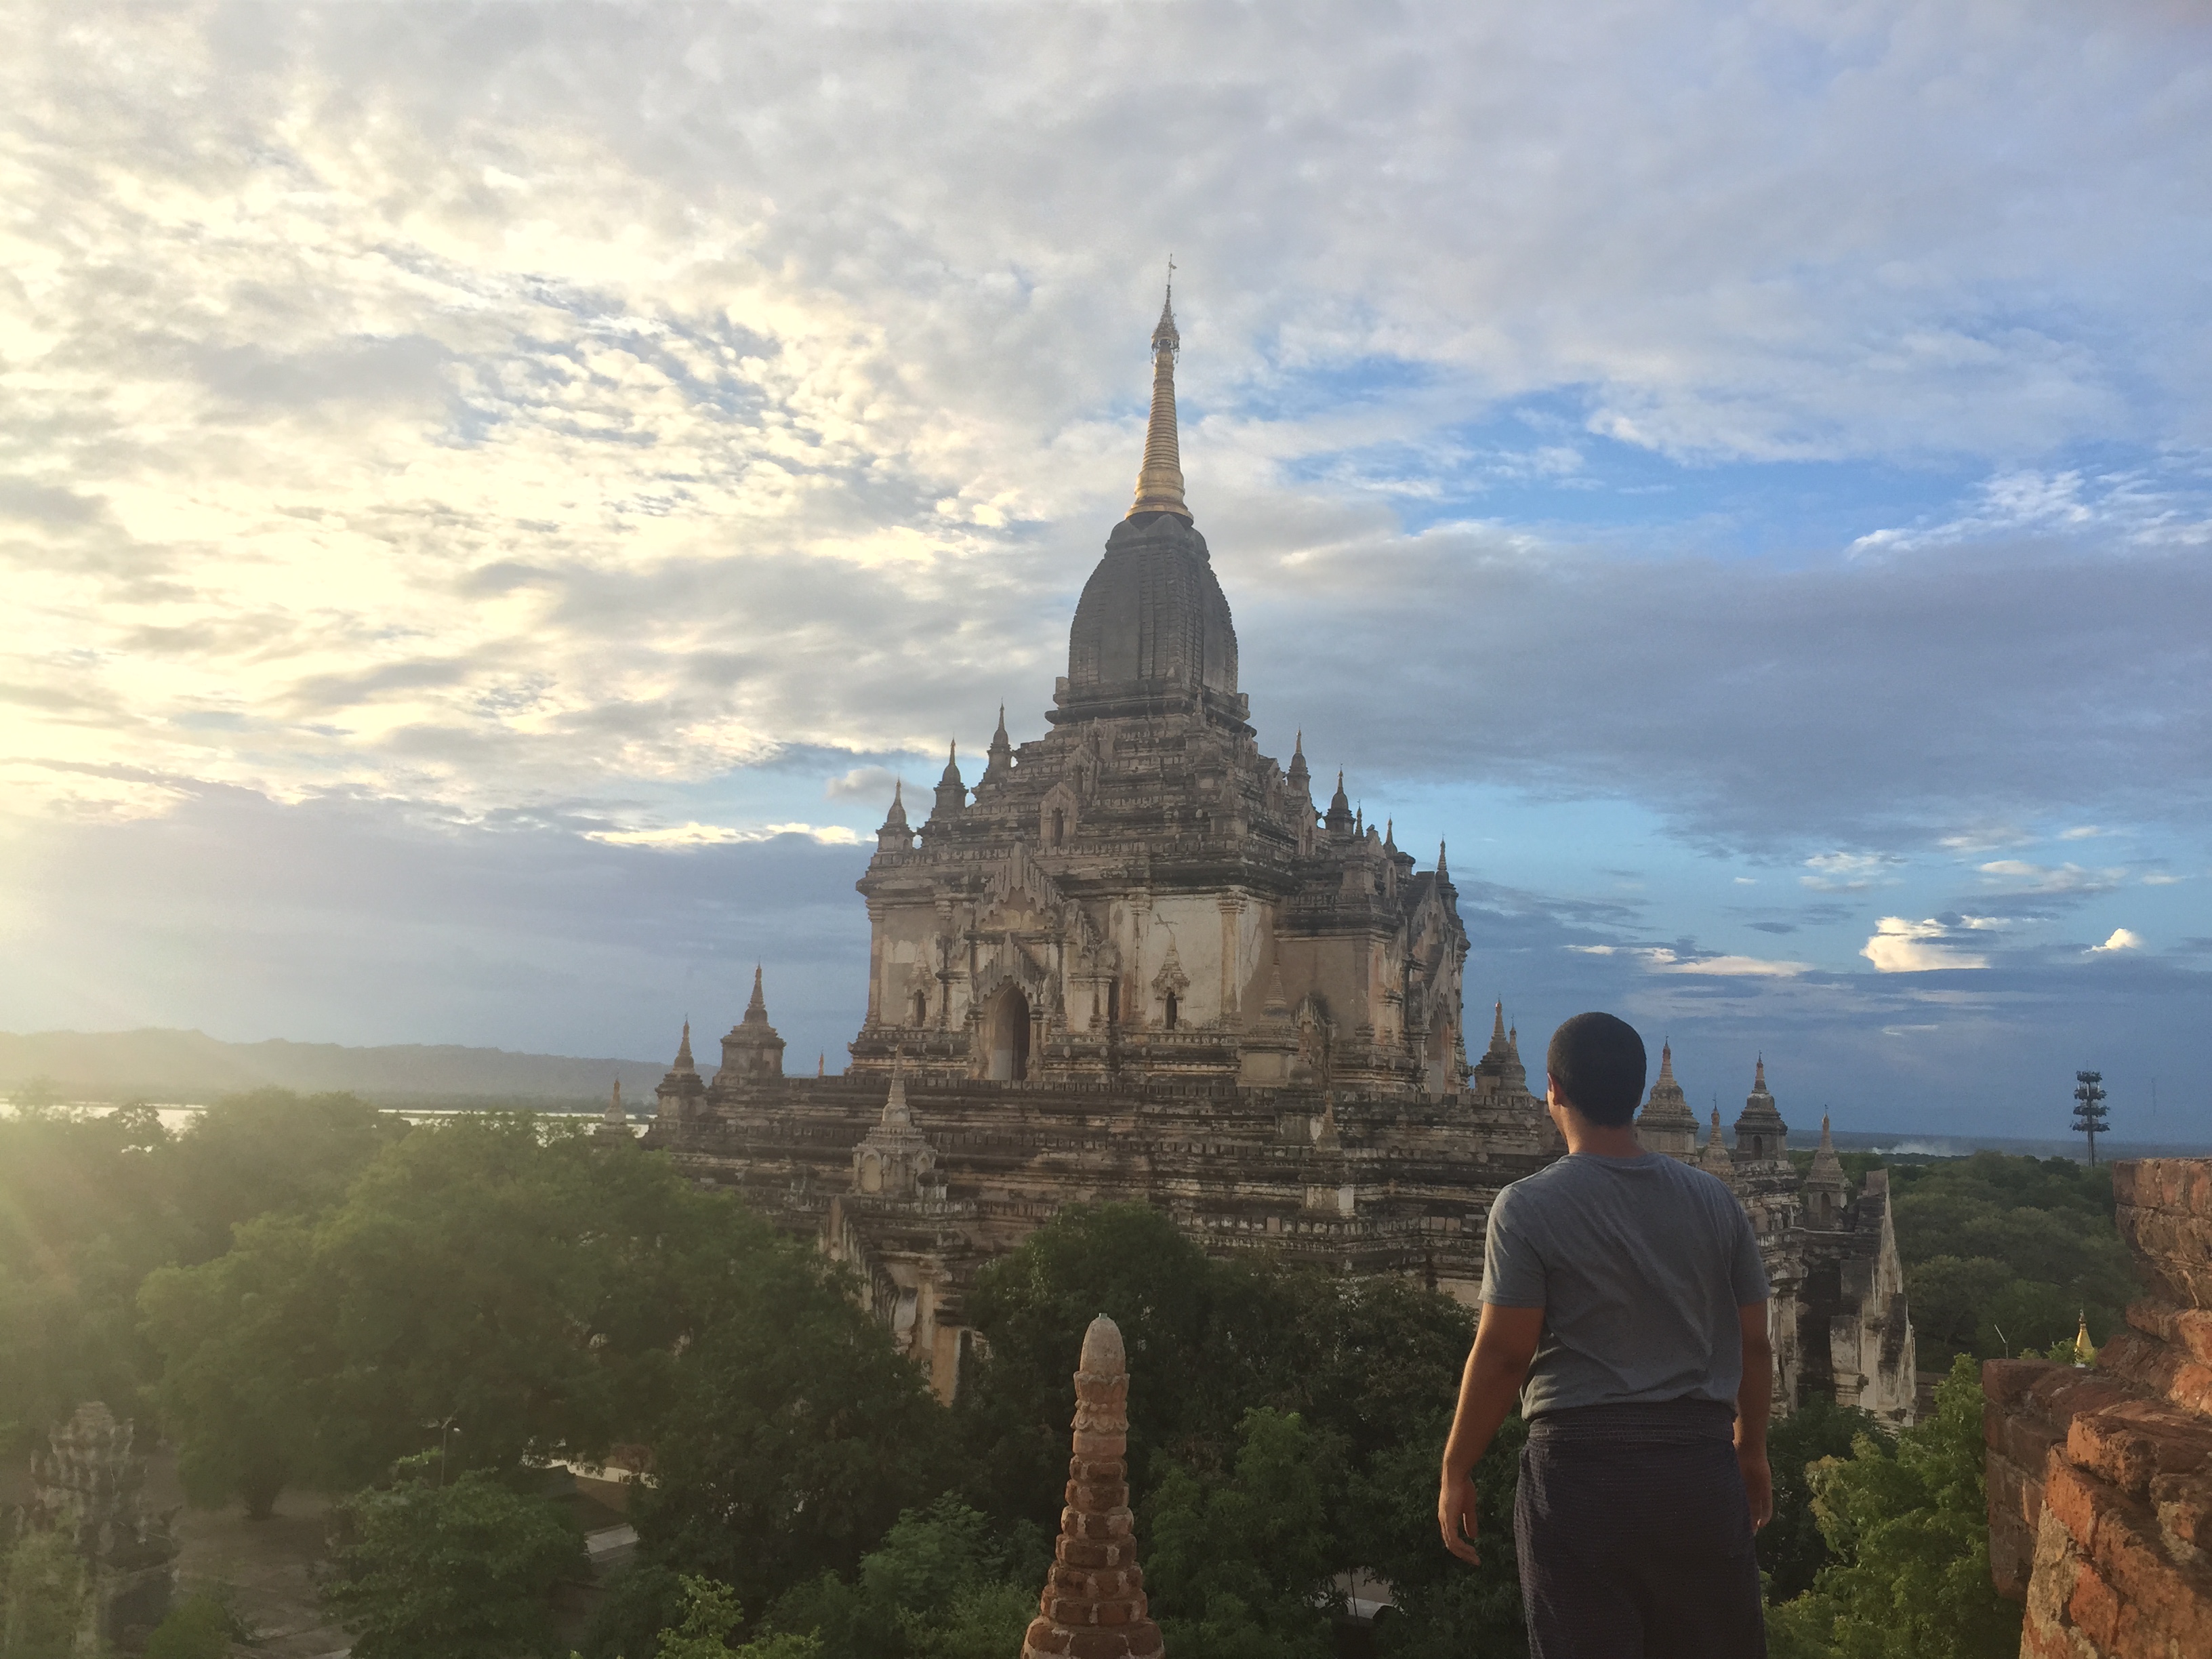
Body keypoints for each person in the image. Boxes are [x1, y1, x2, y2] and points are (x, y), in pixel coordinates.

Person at [1437, 1011, 1772, 1658]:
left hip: (1582, 1478)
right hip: (1698, 1470)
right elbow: (1755, 1344)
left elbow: (1506, 1354)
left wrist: (1457, 1466)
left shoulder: (1527, 1206)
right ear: (1640, 1094)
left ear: (1553, 1090)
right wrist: (1750, 1451)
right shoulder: (1715, 1201)